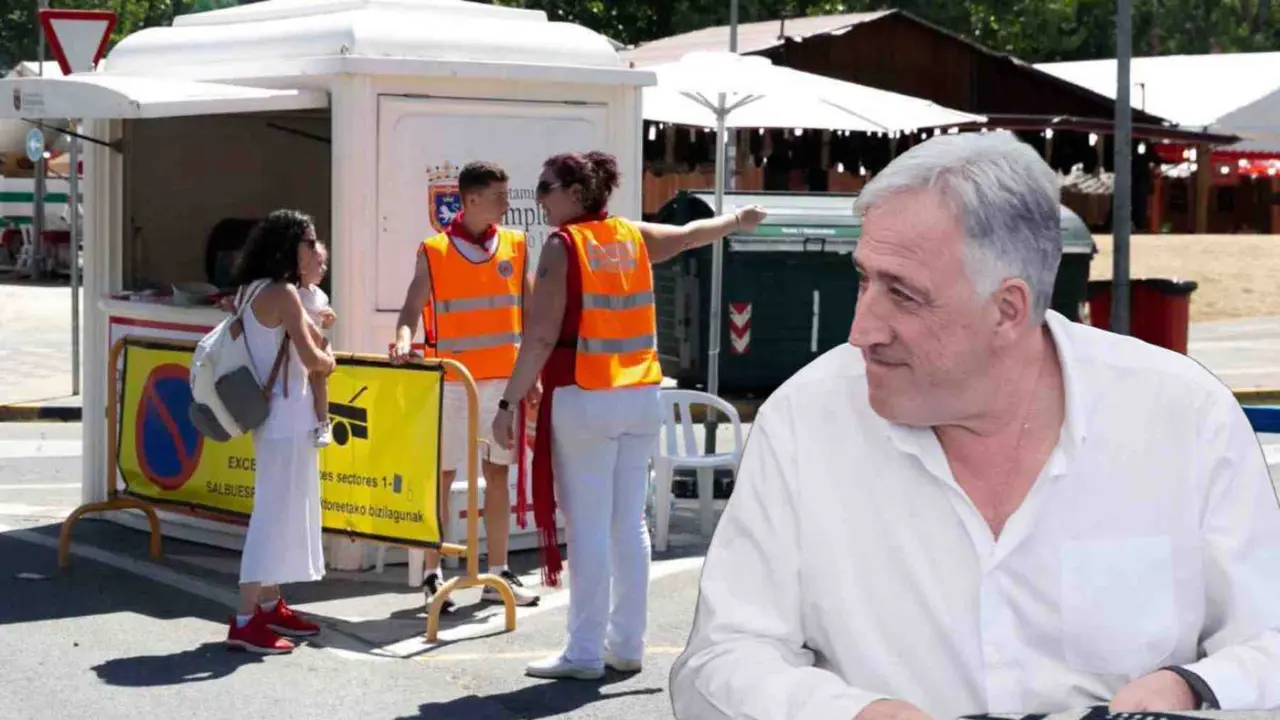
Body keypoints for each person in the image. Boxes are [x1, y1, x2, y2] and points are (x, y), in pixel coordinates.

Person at [669, 130, 1280, 719]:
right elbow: (720, 660)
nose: (862, 330)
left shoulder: (1182, 415)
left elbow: (1270, 638)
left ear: (1008, 309)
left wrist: (1191, 686)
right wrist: (852, 715)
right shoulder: (806, 419)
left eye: (903, 294)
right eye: (863, 279)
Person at [491, 150, 766, 681]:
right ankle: (626, 645)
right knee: (628, 526)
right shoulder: (628, 236)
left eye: (546, 187)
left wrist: (508, 402)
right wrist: (737, 221)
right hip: (641, 393)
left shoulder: (562, 245)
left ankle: (584, 653)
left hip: (585, 394)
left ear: (576, 194)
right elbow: (689, 235)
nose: (540, 195)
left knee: (590, 528)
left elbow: (541, 335)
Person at [390, 160, 539, 611]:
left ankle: (498, 570)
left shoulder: (516, 244)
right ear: (471, 199)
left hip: (503, 385)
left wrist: (531, 376)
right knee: (444, 475)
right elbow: (410, 308)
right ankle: (434, 574)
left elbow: (531, 316)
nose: (506, 203)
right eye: (498, 195)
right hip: (453, 382)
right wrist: (401, 341)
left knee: (498, 475)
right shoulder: (434, 249)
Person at [225, 209, 336, 654]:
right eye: (309, 242)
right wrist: (330, 359)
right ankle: (247, 618)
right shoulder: (285, 293)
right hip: (289, 415)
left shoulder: (251, 290)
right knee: (273, 517)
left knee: (278, 511)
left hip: (271, 416)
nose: (314, 249)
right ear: (290, 247)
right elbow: (316, 360)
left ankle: (269, 605)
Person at [297, 245, 337, 448]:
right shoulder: (292, 293)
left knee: (319, 375)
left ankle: (323, 423)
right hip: (299, 347)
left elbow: (324, 325)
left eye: (325, 264)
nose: (324, 269)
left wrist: (329, 320)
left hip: (319, 343)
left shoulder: (321, 295)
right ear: (303, 267)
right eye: (319, 264)